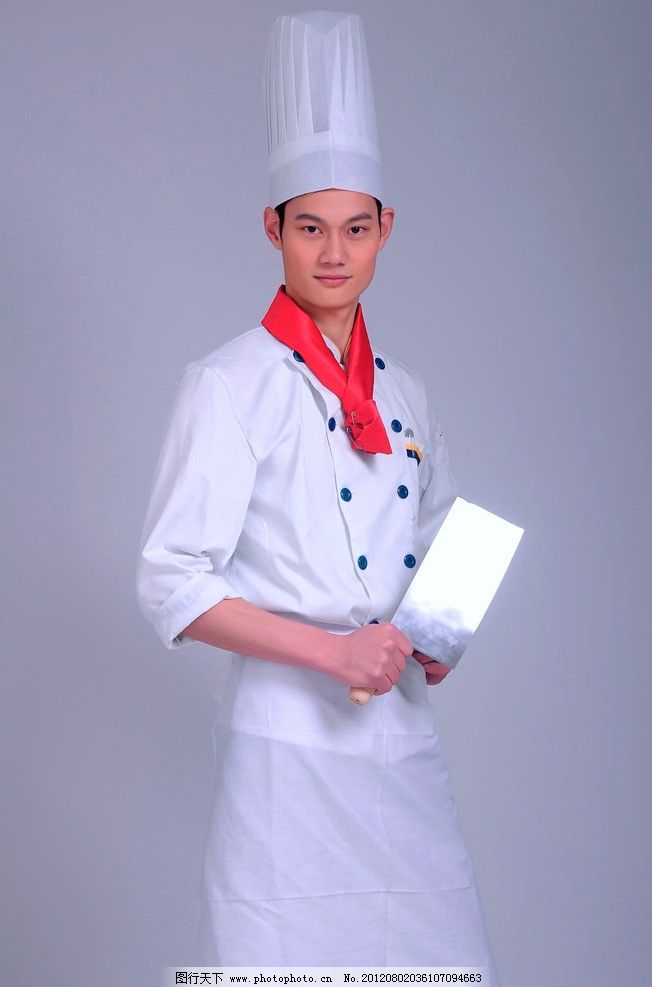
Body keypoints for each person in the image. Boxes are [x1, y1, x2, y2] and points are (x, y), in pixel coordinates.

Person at [135, 10, 500, 978]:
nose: (333, 254)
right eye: (309, 228)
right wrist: (333, 648)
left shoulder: (406, 394)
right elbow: (172, 581)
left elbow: (442, 534)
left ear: (386, 230)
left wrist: (439, 633)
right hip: (282, 760)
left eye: (354, 229)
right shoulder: (228, 385)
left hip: (399, 748)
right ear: (273, 229)